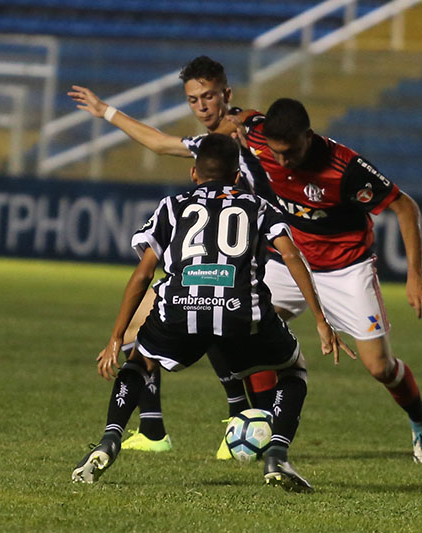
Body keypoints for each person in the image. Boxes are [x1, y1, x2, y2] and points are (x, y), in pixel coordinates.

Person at [71, 135, 353, 492]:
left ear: (193, 172)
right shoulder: (258, 206)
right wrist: (321, 321)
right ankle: (277, 454)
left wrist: (115, 337)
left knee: (139, 361)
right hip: (241, 314)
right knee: (293, 368)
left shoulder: (173, 206)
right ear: (237, 176)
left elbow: (143, 274)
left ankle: (110, 439)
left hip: (179, 310)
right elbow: (293, 258)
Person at [69, 56, 278, 457]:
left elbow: (285, 133)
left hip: (265, 259)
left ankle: (251, 421)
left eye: (209, 97)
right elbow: (158, 142)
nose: (201, 106)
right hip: (222, 263)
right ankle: (155, 430)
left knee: (242, 339)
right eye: (193, 99)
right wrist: (105, 110)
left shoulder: (252, 131)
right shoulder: (207, 146)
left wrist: (252, 122)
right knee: (145, 331)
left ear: (226, 94)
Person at [231, 98, 422, 463]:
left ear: (308, 137)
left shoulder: (345, 168)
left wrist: (415, 276)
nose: (283, 162)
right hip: (289, 259)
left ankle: (420, 420)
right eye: (277, 154)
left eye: (291, 152)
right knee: (249, 327)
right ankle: (266, 422)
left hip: (346, 268)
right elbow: (241, 118)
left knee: (380, 367)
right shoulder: (258, 137)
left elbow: (405, 207)